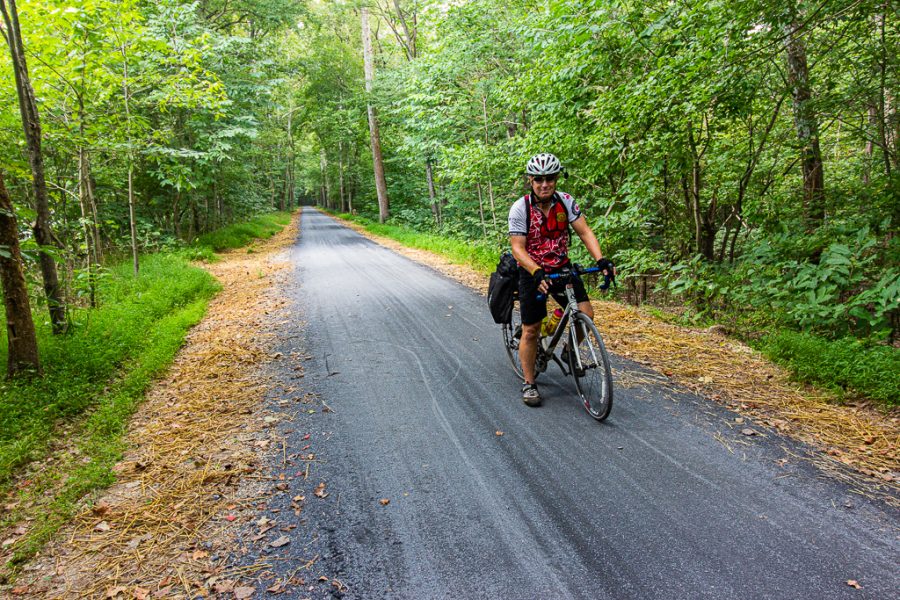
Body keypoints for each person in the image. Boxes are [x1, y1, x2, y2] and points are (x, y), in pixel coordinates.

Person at [508, 153, 614, 406]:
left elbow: (585, 231)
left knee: (586, 312)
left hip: (562, 268)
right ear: (531, 181)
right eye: (539, 179)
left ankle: (569, 352)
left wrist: (601, 260)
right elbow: (517, 248)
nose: (545, 184)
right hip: (532, 271)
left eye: (550, 179)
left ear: (557, 178)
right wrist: (536, 271)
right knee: (532, 329)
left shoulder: (566, 202)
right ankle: (530, 382)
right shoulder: (520, 207)